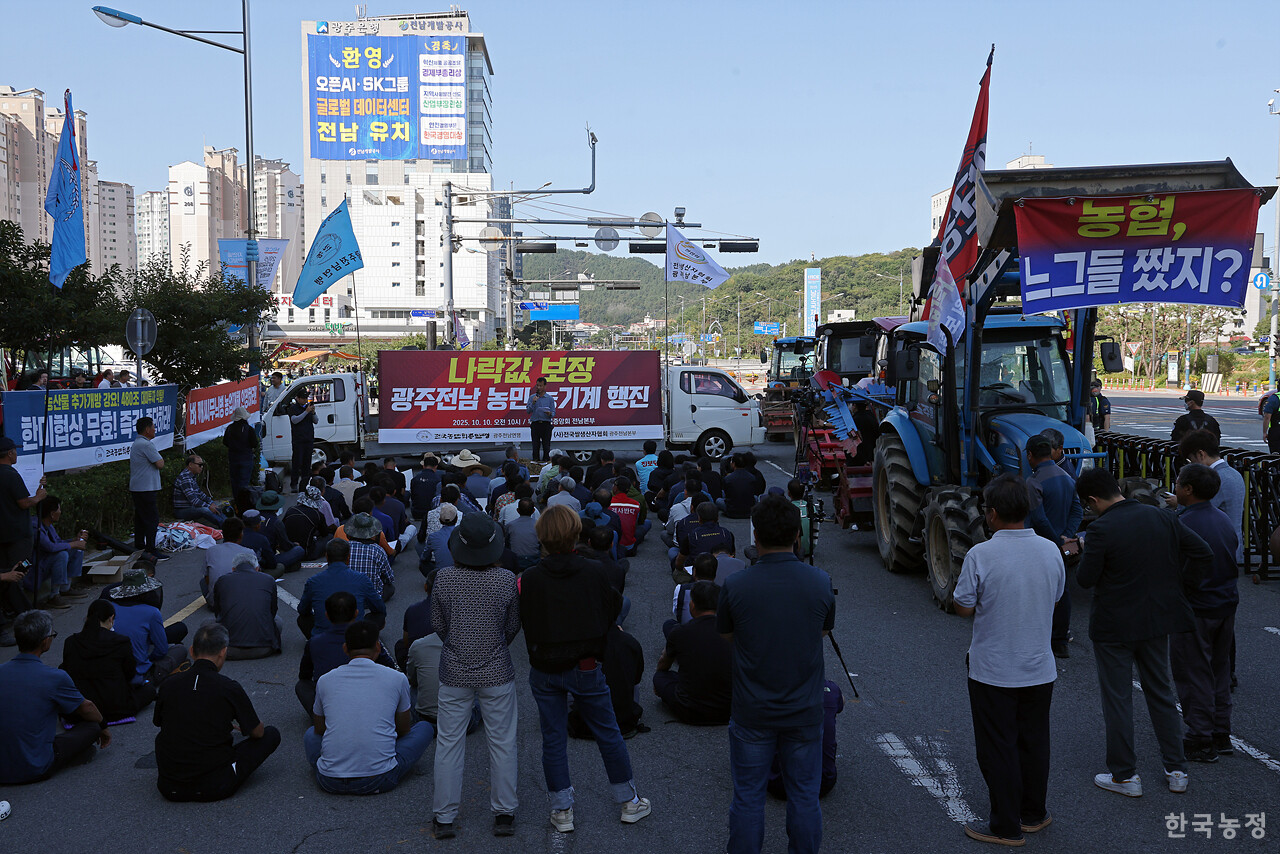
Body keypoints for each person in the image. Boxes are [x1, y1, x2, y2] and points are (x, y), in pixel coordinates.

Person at [1075, 467, 1212, 797]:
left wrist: (1081, 549)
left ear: (1093, 500)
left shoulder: (1101, 529)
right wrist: (1180, 586)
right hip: (1157, 619)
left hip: (1113, 626)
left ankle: (1125, 776)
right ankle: (1177, 769)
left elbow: (1085, 579)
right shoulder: (1161, 517)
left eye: (1087, 505)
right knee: (1161, 693)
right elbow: (1203, 553)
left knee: (1118, 699)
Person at [519, 505, 652, 832]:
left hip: (545, 665)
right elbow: (614, 608)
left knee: (552, 738)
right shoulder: (594, 571)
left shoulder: (530, 579)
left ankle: (562, 809)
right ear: (576, 532)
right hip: (586, 663)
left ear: (542, 537)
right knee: (608, 732)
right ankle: (628, 800)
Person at [951, 474, 1064, 846]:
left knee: (998, 746)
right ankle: (1033, 814)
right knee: (1034, 742)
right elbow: (1058, 594)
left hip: (993, 669)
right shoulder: (1050, 549)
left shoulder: (981, 554)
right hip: (1039, 666)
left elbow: (964, 608)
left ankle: (1005, 825)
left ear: (993, 514)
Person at [718, 494, 835, 854]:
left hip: (753, 709)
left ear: (756, 537)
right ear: (797, 535)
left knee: (749, 797)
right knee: (804, 796)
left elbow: (727, 636)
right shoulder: (819, 581)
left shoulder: (736, 585)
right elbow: (822, 632)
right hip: (804, 707)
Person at [430, 513, 522, 839]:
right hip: (497, 668)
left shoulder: (443, 579)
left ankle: (444, 817)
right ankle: (504, 814)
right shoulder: (507, 580)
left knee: (449, 743)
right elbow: (511, 627)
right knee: (503, 742)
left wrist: (457, 645)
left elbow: (439, 625)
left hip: (454, 669)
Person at [303, 620, 434, 795]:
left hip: (329, 780)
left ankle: (334, 763)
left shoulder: (325, 680)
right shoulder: (397, 678)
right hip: (378, 778)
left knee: (310, 735)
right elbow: (403, 730)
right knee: (424, 728)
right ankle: (377, 758)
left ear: (345, 648)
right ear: (378, 648)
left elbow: (319, 729)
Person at [154, 623, 281, 802]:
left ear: (192, 651)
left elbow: (159, 722)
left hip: (169, 787)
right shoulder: (228, 687)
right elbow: (257, 732)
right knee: (271, 735)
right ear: (223, 652)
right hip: (215, 786)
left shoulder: (169, 684)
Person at [1169, 463, 1239, 763]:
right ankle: (1221, 733)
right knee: (1219, 669)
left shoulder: (1183, 523)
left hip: (1197, 607)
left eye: (1178, 482)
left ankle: (1200, 738)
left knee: (1193, 671)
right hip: (1226, 602)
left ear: (1188, 490)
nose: (1175, 486)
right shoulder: (1222, 518)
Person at [0, 610, 110, 784]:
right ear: (45, 642)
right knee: (91, 727)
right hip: (35, 767)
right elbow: (87, 708)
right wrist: (103, 727)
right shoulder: (54, 677)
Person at [1023, 434, 1083, 659]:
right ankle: (1060, 641)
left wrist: (1056, 540)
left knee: (1036, 592)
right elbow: (1077, 510)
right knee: (1062, 590)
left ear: (1030, 455)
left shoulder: (1033, 482)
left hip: (1039, 545)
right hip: (1061, 547)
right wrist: (1067, 536)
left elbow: (1038, 519)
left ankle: (1037, 640)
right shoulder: (1067, 477)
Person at [296, 591, 398, 713]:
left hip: (331, 704)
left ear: (327, 615)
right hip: (369, 697)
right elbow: (390, 667)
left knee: (302, 686)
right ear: (356, 613)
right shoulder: (368, 637)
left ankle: (319, 715)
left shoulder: (314, 642)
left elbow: (304, 675)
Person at [61, 599, 157, 721]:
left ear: (87, 618)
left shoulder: (71, 642)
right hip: (117, 707)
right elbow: (130, 673)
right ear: (111, 618)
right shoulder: (121, 641)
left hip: (83, 708)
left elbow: (69, 673)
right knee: (149, 690)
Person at [654, 581, 733, 725]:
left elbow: (663, 665)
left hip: (690, 710)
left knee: (660, 677)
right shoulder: (733, 631)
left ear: (692, 605)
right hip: (729, 710)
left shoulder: (679, 632)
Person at [1176, 430, 1246, 564]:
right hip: (1231, 545)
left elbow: (1197, 509)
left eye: (1191, 461)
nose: (1191, 465)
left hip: (1215, 550)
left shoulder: (1214, 478)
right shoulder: (1234, 473)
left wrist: (1179, 500)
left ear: (1201, 454)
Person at [111, 569, 189, 683]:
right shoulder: (151, 612)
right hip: (136, 673)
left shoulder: (110, 607)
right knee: (180, 649)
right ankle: (152, 677)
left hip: (112, 668)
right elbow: (161, 650)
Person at [297, 538, 386, 637]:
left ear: (326, 556)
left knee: (303, 619)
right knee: (379, 616)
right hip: (354, 636)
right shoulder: (362, 579)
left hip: (323, 636)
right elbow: (379, 608)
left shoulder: (313, 582)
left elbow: (303, 610)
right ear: (348, 558)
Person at [215, 554, 282, 659]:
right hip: (264, 648)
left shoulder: (222, 580)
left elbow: (218, 612)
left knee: (206, 623)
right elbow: (272, 610)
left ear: (233, 569)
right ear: (257, 568)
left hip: (228, 649)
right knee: (278, 621)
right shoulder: (268, 579)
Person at [34, 496, 89, 609]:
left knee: (76, 549)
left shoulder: (49, 526)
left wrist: (75, 540)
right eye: (59, 509)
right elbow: (50, 547)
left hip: (47, 561)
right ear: (52, 513)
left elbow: (59, 542)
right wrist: (73, 544)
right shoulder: (35, 526)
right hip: (37, 566)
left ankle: (66, 588)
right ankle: (54, 595)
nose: (60, 512)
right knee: (62, 554)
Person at [202, 517, 257, 613]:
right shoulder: (249, 552)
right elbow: (256, 576)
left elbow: (207, 578)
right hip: (242, 603)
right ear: (241, 534)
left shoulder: (211, 550)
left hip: (217, 604)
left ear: (223, 533)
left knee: (202, 582)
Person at [128, 417, 165, 560]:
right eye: (154, 427)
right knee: (151, 519)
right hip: (145, 488)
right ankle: (150, 549)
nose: (155, 430)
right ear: (147, 429)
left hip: (139, 487)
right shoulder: (146, 445)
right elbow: (160, 463)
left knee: (141, 519)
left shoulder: (138, 443)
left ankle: (140, 547)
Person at [345, 512, 396, 602]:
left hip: (347, 598)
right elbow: (390, 578)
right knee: (390, 588)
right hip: (372, 598)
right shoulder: (378, 550)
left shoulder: (343, 547)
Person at [253, 492, 306, 572]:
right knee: (299, 550)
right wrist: (294, 544)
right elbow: (285, 545)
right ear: (276, 507)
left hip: (252, 556)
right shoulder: (276, 522)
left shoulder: (254, 517)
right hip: (266, 559)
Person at [173, 453, 226, 528]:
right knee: (205, 510)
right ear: (191, 465)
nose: (201, 467)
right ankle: (225, 526)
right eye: (200, 465)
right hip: (182, 510)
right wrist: (209, 506)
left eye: (202, 465)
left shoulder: (192, 477)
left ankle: (227, 523)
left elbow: (200, 494)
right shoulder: (185, 478)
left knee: (214, 506)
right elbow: (194, 500)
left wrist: (211, 503)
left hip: (191, 508)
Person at [222, 406, 259, 495]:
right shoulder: (249, 429)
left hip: (233, 458)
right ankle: (243, 503)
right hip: (246, 458)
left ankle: (236, 502)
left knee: (235, 482)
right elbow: (254, 443)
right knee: (244, 482)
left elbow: (225, 442)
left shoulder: (230, 428)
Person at [288, 391, 318, 493]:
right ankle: (294, 484)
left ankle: (305, 483)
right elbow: (294, 420)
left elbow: (316, 421)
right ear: (298, 398)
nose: (305, 400)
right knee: (297, 462)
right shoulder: (293, 408)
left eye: (306, 398)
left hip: (308, 439)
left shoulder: (308, 407)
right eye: (303, 398)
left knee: (307, 463)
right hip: (298, 440)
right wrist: (306, 412)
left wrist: (312, 412)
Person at [527, 375, 556, 463]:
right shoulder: (532, 397)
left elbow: (553, 413)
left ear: (545, 386)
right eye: (537, 385)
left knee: (546, 446)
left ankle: (546, 462)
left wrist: (549, 413)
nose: (538, 387)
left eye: (541, 386)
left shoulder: (550, 398)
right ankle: (536, 463)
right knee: (535, 446)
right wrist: (533, 403)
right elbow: (528, 411)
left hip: (546, 424)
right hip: (535, 424)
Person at [722, 454, 760, 519]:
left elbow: (726, 493)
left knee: (718, 500)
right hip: (748, 510)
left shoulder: (728, 478)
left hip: (732, 511)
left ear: (733, 464)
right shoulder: (752, 477)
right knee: (756, 498)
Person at [410, 454, 442, 520]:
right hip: (431, 513)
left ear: (423, 466)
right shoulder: (438, 480)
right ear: (436, 466)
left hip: (416, 513)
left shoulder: (415, 479)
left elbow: (413, 496)